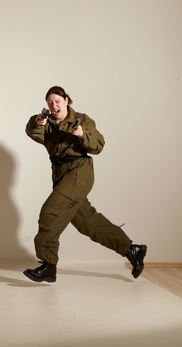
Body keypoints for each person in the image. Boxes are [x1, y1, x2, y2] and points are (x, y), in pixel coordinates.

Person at [23, 86, 147, 283]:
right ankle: (132, 249)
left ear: (66, 100)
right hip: (60, 174)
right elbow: (33, 132)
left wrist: (81, 134)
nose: (53, 105)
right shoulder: (47, 123)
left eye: (57, 100)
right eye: (50, 102)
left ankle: (48, 265)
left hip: (79, 171)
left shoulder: (82, 119)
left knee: (50, 212)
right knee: (87, 222)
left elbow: (98, 145)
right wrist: (38, 122)